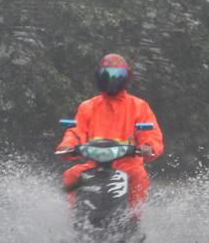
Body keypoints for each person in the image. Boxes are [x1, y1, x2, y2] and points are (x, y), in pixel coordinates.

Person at [55, 53, 164, 219]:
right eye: (107, 75)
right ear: (99, 76)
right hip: (93, 165)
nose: (112, 80)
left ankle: (133, 219)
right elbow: (76, 132)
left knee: (139, 176)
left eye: (118, 76)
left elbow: (151, 134)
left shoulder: (139, 106)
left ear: (127, 77)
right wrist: (67, 147)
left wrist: (148, 147)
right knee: (72, 174)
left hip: (127, 165)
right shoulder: (88, 107)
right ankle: (76, 218)